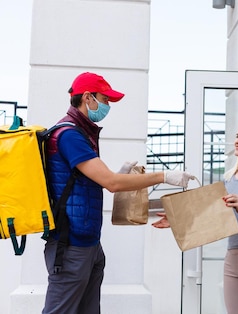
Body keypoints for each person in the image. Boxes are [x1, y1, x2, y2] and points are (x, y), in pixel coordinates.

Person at [42, 72, 196, 314]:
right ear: (87, 98)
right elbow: (111, 183)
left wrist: (120, 174)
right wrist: (165, 176)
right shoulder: (70, 135)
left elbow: (92, 181)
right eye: (105, 100)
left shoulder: (82, 133)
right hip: (71, 245)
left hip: (88, 243)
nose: (107, 105)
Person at [153, 118, 238, 314]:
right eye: (236, 136)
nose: (237, 141)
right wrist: (177, 220)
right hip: (233, 258)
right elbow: (214, 214)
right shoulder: (230, 176)